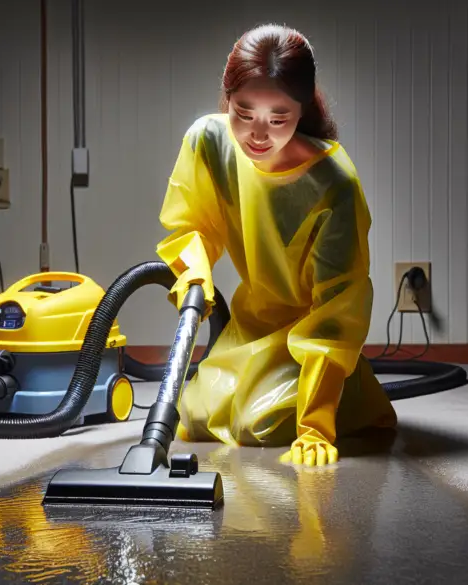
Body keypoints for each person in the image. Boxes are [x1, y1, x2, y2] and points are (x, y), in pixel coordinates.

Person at [155, 23, 397, 467]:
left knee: (257, 425)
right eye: (243, 113)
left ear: (301, 111)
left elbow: (338, 309)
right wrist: (193, 273)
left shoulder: (333, 185)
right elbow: (190, 225)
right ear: (227, 99)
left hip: (309, 338)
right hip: (250, 324)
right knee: (195, 416)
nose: (258, 134)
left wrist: (315, 425)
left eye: (278, 117)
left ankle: (344, 396)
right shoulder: (209, 143)